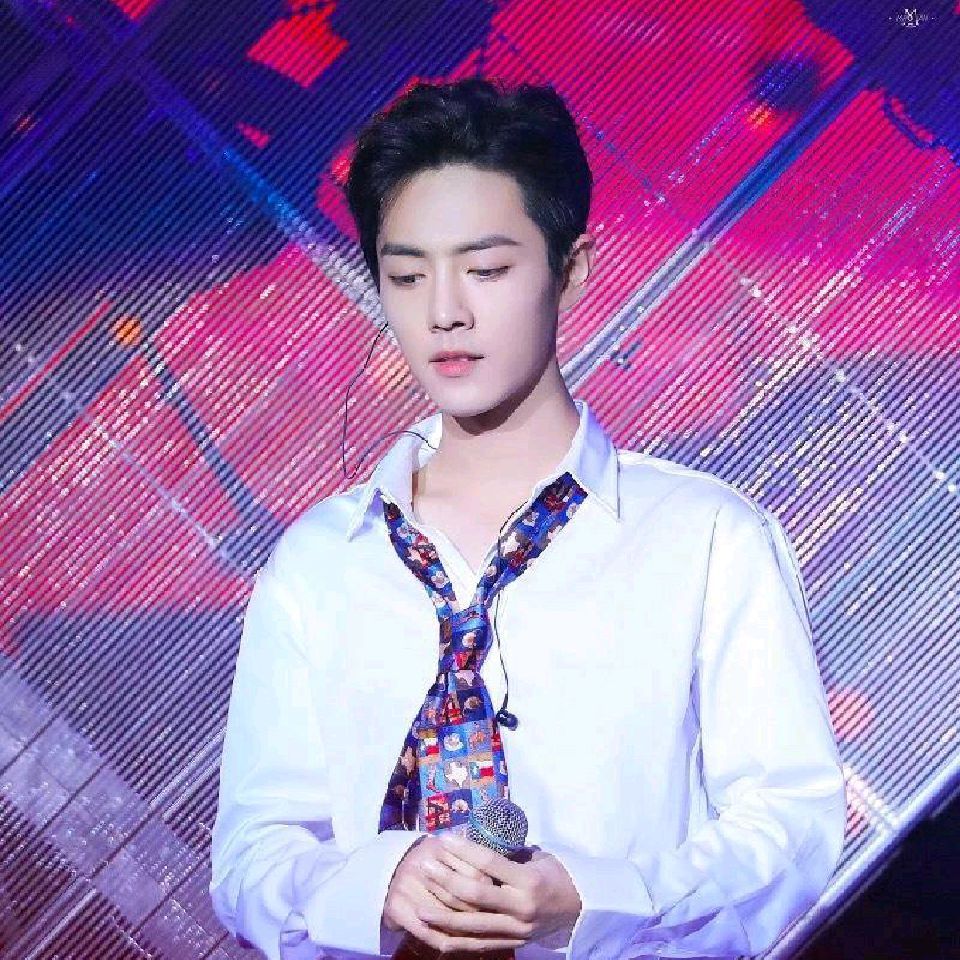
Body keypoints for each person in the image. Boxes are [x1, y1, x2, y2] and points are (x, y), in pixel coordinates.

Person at [209, 77, 847, 960]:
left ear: (570, 270)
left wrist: (593, 896)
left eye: (486, 270)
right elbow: (251, 853)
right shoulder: (320, 560)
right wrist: (373, 885)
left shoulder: (705, 537)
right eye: (407, 276)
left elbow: (791, 827)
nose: (444, 312)